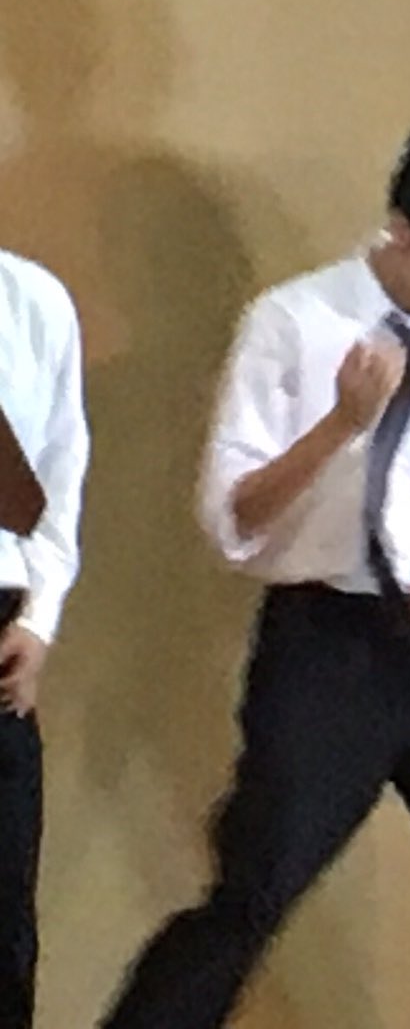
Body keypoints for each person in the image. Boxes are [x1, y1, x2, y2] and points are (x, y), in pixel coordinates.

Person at [101, 126, 410, 1029]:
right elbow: (232, 518)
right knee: (252, 890)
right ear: (400, 230)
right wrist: (340, 425)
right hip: (326, 646)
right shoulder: (293, 320)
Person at [0, 249, 88, 1029]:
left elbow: (60, 474)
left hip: (1, 626)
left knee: (5, 920)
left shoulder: (32, 301)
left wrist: (39, 617)